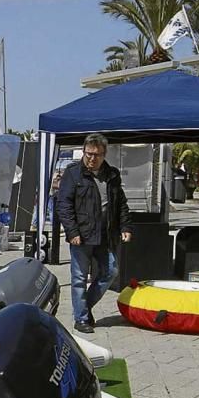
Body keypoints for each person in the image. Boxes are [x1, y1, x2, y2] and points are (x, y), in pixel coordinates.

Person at [57, 133, 132, 334]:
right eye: (89, 154)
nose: (92, 158)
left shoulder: (112, 175)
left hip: (105, 234)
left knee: (110, 271)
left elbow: (121, 204)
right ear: (84, 151)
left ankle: (84, 307)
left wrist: (125, 227)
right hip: (81, 235)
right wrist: (72, 231)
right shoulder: (73, 174)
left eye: (96, 155)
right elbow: (63, 206)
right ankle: (81, 319)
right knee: (79, 277)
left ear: (104, 154)